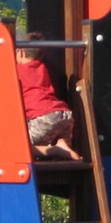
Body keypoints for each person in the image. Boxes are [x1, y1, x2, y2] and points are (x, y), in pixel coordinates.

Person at [16, 31, 81, 160]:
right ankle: (61, 144)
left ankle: (54, 150)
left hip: (44, 118)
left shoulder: (16, 71)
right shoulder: (42, 68)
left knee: (15, 147)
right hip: (64, 116)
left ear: (21, 52)